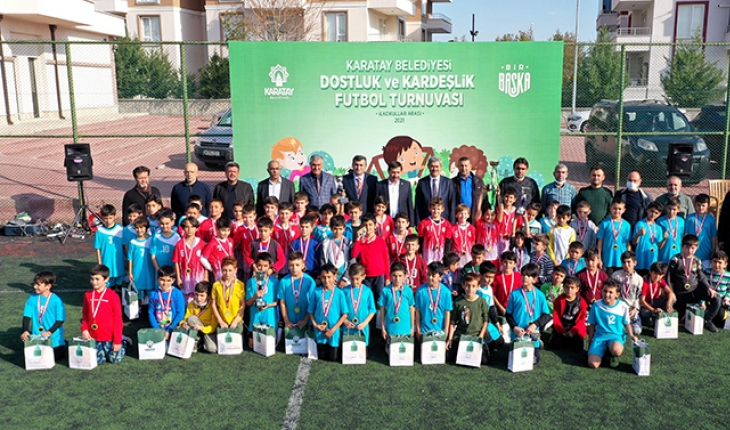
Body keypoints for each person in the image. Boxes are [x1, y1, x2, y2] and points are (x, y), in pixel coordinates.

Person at [667, 234, 721, 332]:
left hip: (695, 292)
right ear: (682, 246)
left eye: (692, 248)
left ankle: (708, 321)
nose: (690, 250)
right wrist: (671, 293)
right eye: (687, 247)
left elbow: (701, 277)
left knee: (716, 298)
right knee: (674, 315)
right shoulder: (675, 259)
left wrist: (709, 288)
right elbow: (669, 278)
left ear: (696, 248)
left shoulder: (697, 260)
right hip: (680, 294)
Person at [586, 278, 639, 369]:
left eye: (610, 292)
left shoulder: (622, 306)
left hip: (615, 336)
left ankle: (612, 354)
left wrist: (631, 335)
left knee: (616, 350)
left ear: (617, 294)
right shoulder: (596, 305)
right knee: (593, 364)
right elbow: (591, 325)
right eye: (605, 291)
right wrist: (590, 343)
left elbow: (627, 323)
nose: (607, 294)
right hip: (600, 336)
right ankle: (605, 351)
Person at [81, 264, 128, 364]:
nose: (94, 282)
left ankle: (123, 341)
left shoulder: (113, 296)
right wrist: (84, 329)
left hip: (109, 337)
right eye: (92, 279)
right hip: (93, 337)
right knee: (98, 361)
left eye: (97, 279)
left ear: (106, 279)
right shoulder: (88, 295)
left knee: (115, 360)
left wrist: (117, 341)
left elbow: (118, 319)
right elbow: (85, 314)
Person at [505, 263, 551, 365]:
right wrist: (514, 327)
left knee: (534, 361)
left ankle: (537, 343)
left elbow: (546, 315)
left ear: (534, 279)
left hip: (532, 333)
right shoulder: (514, 294)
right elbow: (508, 315)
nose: (525, 277)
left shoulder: (540, 295)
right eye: (523, 275)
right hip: (518, 333)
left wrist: (535, 325)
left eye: (529, 276)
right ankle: (516, 344)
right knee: (516, 360)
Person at [446, 273, 492, 364]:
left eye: (473, 286)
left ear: (478, 287)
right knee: (448, 357)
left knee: (484, 361)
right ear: (463, 285)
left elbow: (486, 320)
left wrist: (481, 335)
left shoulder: (482, 302)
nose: (470, 289)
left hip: (476, 335)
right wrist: (450, 339)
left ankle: (485, 347)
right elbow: (452, 322)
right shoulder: (458, 302)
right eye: (468, 285)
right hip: (460, 336)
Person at [21, 270, 66, 360]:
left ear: (48, 286)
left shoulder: (56, 300)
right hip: (37, 338)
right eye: (35, 284)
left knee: (52, 357)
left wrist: (49, 332)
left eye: (38, 284)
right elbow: (27, 316)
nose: (35, 286)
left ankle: (62, 345)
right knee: (34, 357)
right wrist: (25, 330)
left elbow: (60, 320)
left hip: (53, 339)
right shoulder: (32, 298)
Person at [308, 263, 349, 362]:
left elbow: (344, 314)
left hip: (333, 331)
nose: (326, 280)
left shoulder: (340, 293)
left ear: (335, 276)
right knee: (321, 357)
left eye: (329, 277)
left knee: (333, 358)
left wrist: (333, 330)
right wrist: (315, 325)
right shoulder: (316, 292)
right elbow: (310, 312)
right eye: (323, 277)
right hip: (320, 330)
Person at [352, 214, 390, 303]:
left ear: (375, 226)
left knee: (380, 299)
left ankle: (380, 313)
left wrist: (387, 278)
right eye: (365, 225)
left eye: (370, 225)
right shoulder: (360, 241)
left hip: (379, 275)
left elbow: (386, 259)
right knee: (367, 299)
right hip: (365, 276)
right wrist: (357, 239)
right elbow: (354, 255)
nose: (368, 227)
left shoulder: (380, 241)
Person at [379, 262, 416, 350]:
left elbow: (411, 308)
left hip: (405, 327)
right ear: (390, 275)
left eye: (400, 276)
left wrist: (412, 327)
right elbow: (382, 309)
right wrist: (383, 327)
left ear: (405, 276)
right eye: (394, 276)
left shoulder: (408, 290)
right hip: (391, 327)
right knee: (391, 352)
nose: (397, 279)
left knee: (404, 351)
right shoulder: (385, 290)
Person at [245, 252, 279, 346]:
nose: (262, 268)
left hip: (269, 317)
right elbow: (248, 303)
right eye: (259, 265)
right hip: (256, 316)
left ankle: (277, 331)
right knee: (252, 345)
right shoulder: (251, 282)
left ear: (270, 266)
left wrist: (268, 305)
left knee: (270, 345)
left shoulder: (275, 282)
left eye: (265, 266)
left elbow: (278, 302)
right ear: (255, 265)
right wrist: (255, 296)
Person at [414, 262, 453, 341]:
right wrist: (418, 330)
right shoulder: (420, 291)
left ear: (440, 277)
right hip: (424, 331)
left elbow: (447, 313)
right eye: (428, 274)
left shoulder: (446, 293)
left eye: (433, 276)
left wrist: (446, 331)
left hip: (440, 331)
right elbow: (417, 311)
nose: (430, 277)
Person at [278, 251, 316, 331]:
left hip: (307, 321)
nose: (294, 268)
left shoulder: (310, 281)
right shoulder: (283, 281)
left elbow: (313, 303)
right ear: (288, 266)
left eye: (297, 265)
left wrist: (305, 320)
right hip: (290, 322)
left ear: (303, 265)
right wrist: (286, 320)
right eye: (291, 265)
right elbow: (282, 302)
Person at [341, 263, 377, 347]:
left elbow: (372, 310)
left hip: (362, 327)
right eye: (352, 279)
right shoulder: (344, 291)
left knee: (362, 351)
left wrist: (365, 323)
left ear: (363, 277)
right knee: (348, 351)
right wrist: (345, 321)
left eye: (357, 279)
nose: (354, 281)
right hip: (348, 327)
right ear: (349, 277)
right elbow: (340, 309)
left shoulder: (367, 291)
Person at [172, 216, 207, 302]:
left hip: (199, 276)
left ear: (196, 228)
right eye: (187, 227)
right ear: (183, 228)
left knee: (199, 296)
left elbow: (206, 262)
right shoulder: (179, 244)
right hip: (185, 277)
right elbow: (176, 262)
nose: (189, 229)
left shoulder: (202, 243)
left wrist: (206, 277)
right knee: (186, 299)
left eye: (192, 227)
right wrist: (178, 277)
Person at [548, 275, 587, 351]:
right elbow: (556, 317)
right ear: (563, 287)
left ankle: (570, 340)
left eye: (572, 288)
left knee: (578, 347)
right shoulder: (558, 300)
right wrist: (561, 330)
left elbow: (581, 320)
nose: (569, 290)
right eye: (567, 287)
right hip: (561, 327)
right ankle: (561, 339)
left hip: (574, 328)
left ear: (577, 289)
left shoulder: (582, 302)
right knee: (555, 345)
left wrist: (572, 332)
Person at [415, 156, 456, 224]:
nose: (434, 169)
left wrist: (452, 223)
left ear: (441, 167)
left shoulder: (448, 182)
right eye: (432, 166)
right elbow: (418, 205)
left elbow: (452, 204)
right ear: (428, 167)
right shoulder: (422, 183)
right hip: (426, 222)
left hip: (444, 221)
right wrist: (418, 223)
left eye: (437, 166)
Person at [148, 265, 186, 341]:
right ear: (157, 279)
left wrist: (170, 330)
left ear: (173, 280)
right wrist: (157, 329)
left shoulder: (177, 294)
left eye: (168, 280)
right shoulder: (153, 294)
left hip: (173, 327)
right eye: (162, 280)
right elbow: (151, 312)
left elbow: (180, 314)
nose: (165, 283)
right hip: (158, 327)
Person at [611, 251, 644, 335]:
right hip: (618, 307)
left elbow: (638, 296)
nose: (626, 265)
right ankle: (621, 323)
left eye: (629, 262)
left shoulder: (639, 279)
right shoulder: (615, 275)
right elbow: (612, 293)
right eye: (624, 262)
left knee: (637, 331)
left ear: (635, 263)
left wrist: (635, 309)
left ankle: (630, 321)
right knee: (615, 328)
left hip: (631, 309)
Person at [180, 281, 218, 353]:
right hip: (196, 329)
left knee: (212, 349)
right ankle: (197, 340)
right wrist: (183, 323)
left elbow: (214, 326)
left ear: (209, 296)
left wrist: (202, 328)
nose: (198, 298)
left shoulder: (212, 306)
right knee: (191, 318)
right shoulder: (192, 304)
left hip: (209, 331)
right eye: (196, 294)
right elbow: (186, 318)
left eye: (202, 295)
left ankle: (202, 341)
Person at [597, 200, 631, 275]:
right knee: (608, 280)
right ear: (610, 208)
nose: (617, 211)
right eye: (615, 208)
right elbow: (600, 242)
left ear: (624, 210)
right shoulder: (604, 223)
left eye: (619, 209)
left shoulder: (627, 225)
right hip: (608, 259)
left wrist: (628, 259)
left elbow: (628, 243)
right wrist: (599, 258)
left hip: (621, 261)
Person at [375, 161, 415, 225]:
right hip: (385, 221)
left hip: (401, 222)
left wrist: (412, 224)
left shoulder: (406, 185)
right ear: (389, 172)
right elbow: (375, 204)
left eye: (398, 172)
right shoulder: (380, 185)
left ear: (401, 172)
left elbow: (410, 205)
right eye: (393, 172)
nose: (396, 175)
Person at [211, 256, 246, 329]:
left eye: (230, 270)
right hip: (222, 321)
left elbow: (242, 304)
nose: (227, 273)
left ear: (235, 270)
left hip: (236, 321)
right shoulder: (216, 285)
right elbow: (213, 304)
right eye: (225, 270)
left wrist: (236, 321)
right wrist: (220, 321)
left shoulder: (240, 285)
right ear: (221, 269)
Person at [94, 204, 124, 288]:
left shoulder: (120, 229)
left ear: (115, 216)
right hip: (106, 263)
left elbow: (125, 246)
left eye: (110, 218)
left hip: (118, 263)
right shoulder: (100, 231)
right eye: (106, 218)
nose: (108, 221)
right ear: (102, 217)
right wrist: (100, 264)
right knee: (108, 287)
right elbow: (97, 248)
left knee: (119, 286)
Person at [685, 194, 717, 267]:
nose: (700, 208)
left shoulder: (711, 219)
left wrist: (713, 251)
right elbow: (686, 234)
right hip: (691, 253)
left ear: (708, 206)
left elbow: (713, 236)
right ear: (694, 205)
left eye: (703, 205)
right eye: (698, 205)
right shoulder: (689, 218)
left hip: (706, 253)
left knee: (705, 272)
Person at [128, 217, 155, 302]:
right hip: (137, 270)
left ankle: (150, 307)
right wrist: (130, 272)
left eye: (141, 227)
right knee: (137, 291)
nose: (139, 230)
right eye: (137, 228)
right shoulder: (133, 241)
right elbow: (130, 258)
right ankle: (138, 307)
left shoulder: (152, 239)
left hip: (149, 270)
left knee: (150, 290)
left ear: (146, 228)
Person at [632, 201, 664, 275]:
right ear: (647, 210)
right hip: (641, 258)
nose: (653, 214)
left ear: (659, 214)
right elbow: (634, 242)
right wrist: (638, 235)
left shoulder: (658, 228)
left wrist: (664, 239)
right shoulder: (640, 224)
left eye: (656, 213)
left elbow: (659, 246)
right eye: (652, 211)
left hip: (652, 259)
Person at [639, 262, 675, 326]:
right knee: (645, 312)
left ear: (663, 275)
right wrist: (653, 310)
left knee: (671, 297)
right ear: (650, 272)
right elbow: (642, 301)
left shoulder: (661, 280)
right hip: (647, 303)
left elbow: (670, 292)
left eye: (660, 274)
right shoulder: (645, 281)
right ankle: (646, 319)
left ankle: (665, 313)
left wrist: (668, 304)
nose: (657, 276)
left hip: (656, 301)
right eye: (655, 273)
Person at [451, 156, 486, 223]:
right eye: (461, 166)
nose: (464, 168)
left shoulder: (478, 181)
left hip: (474, 217)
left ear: (470, 166)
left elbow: (484, 199)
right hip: (459, 218)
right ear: (458, 167)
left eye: (466, 165)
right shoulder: (452, 182)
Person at [657, 197, 686, 264]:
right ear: (666, 208)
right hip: (664, 254)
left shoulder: (682, 221)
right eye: (669, 208)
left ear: (678, 209)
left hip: (677, 253)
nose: (671, 212)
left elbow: (683, 237)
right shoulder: (660, 221)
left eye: (674, 209)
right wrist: (664, 238)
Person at [493, 251, 521, 315]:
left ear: (515, 264)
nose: (508, 265)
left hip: (515, 309)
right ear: (501, 262)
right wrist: (501, 308)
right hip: (500, 310)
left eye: (510, 263)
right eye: (505, 262)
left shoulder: (519, 276)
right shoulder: (497, 277)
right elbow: (493, 295)